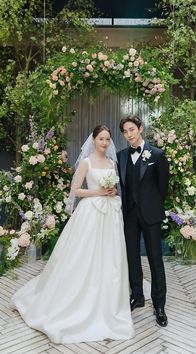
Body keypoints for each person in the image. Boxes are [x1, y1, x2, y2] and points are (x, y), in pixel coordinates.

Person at [12, 125, 134, 344]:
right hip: (91, 213)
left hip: (110, 215)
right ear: (94, 140)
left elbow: (115, 188)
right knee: (83, 256)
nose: (105, 143)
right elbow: (75, 191)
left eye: (107, 139)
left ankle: (107, 299)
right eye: (101, 139)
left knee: (109, 257)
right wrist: (98, 191)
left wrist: (112, 192)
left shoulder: (112, 163)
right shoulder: (86, 162)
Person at [117, 115, 169, 327]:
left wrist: (150, 204)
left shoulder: (157, 154)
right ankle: (137, 296)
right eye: (125, 131)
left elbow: (163, 187)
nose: (129, 134)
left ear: (140, 129)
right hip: (129, 215)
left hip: (150, 214)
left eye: (131, 129)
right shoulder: (120, 157)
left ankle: (159, 305)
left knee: (155, 259)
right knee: (131, 257)